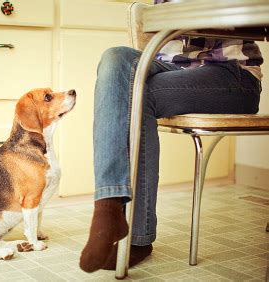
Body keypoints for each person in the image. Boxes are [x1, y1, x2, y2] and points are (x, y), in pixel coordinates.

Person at [79, 0, 263, 273]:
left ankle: (136, 237)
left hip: (231, 74)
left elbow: (252, 18)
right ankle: (108, 206)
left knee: (138, 96)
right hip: (171, 68)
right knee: (115, 57)